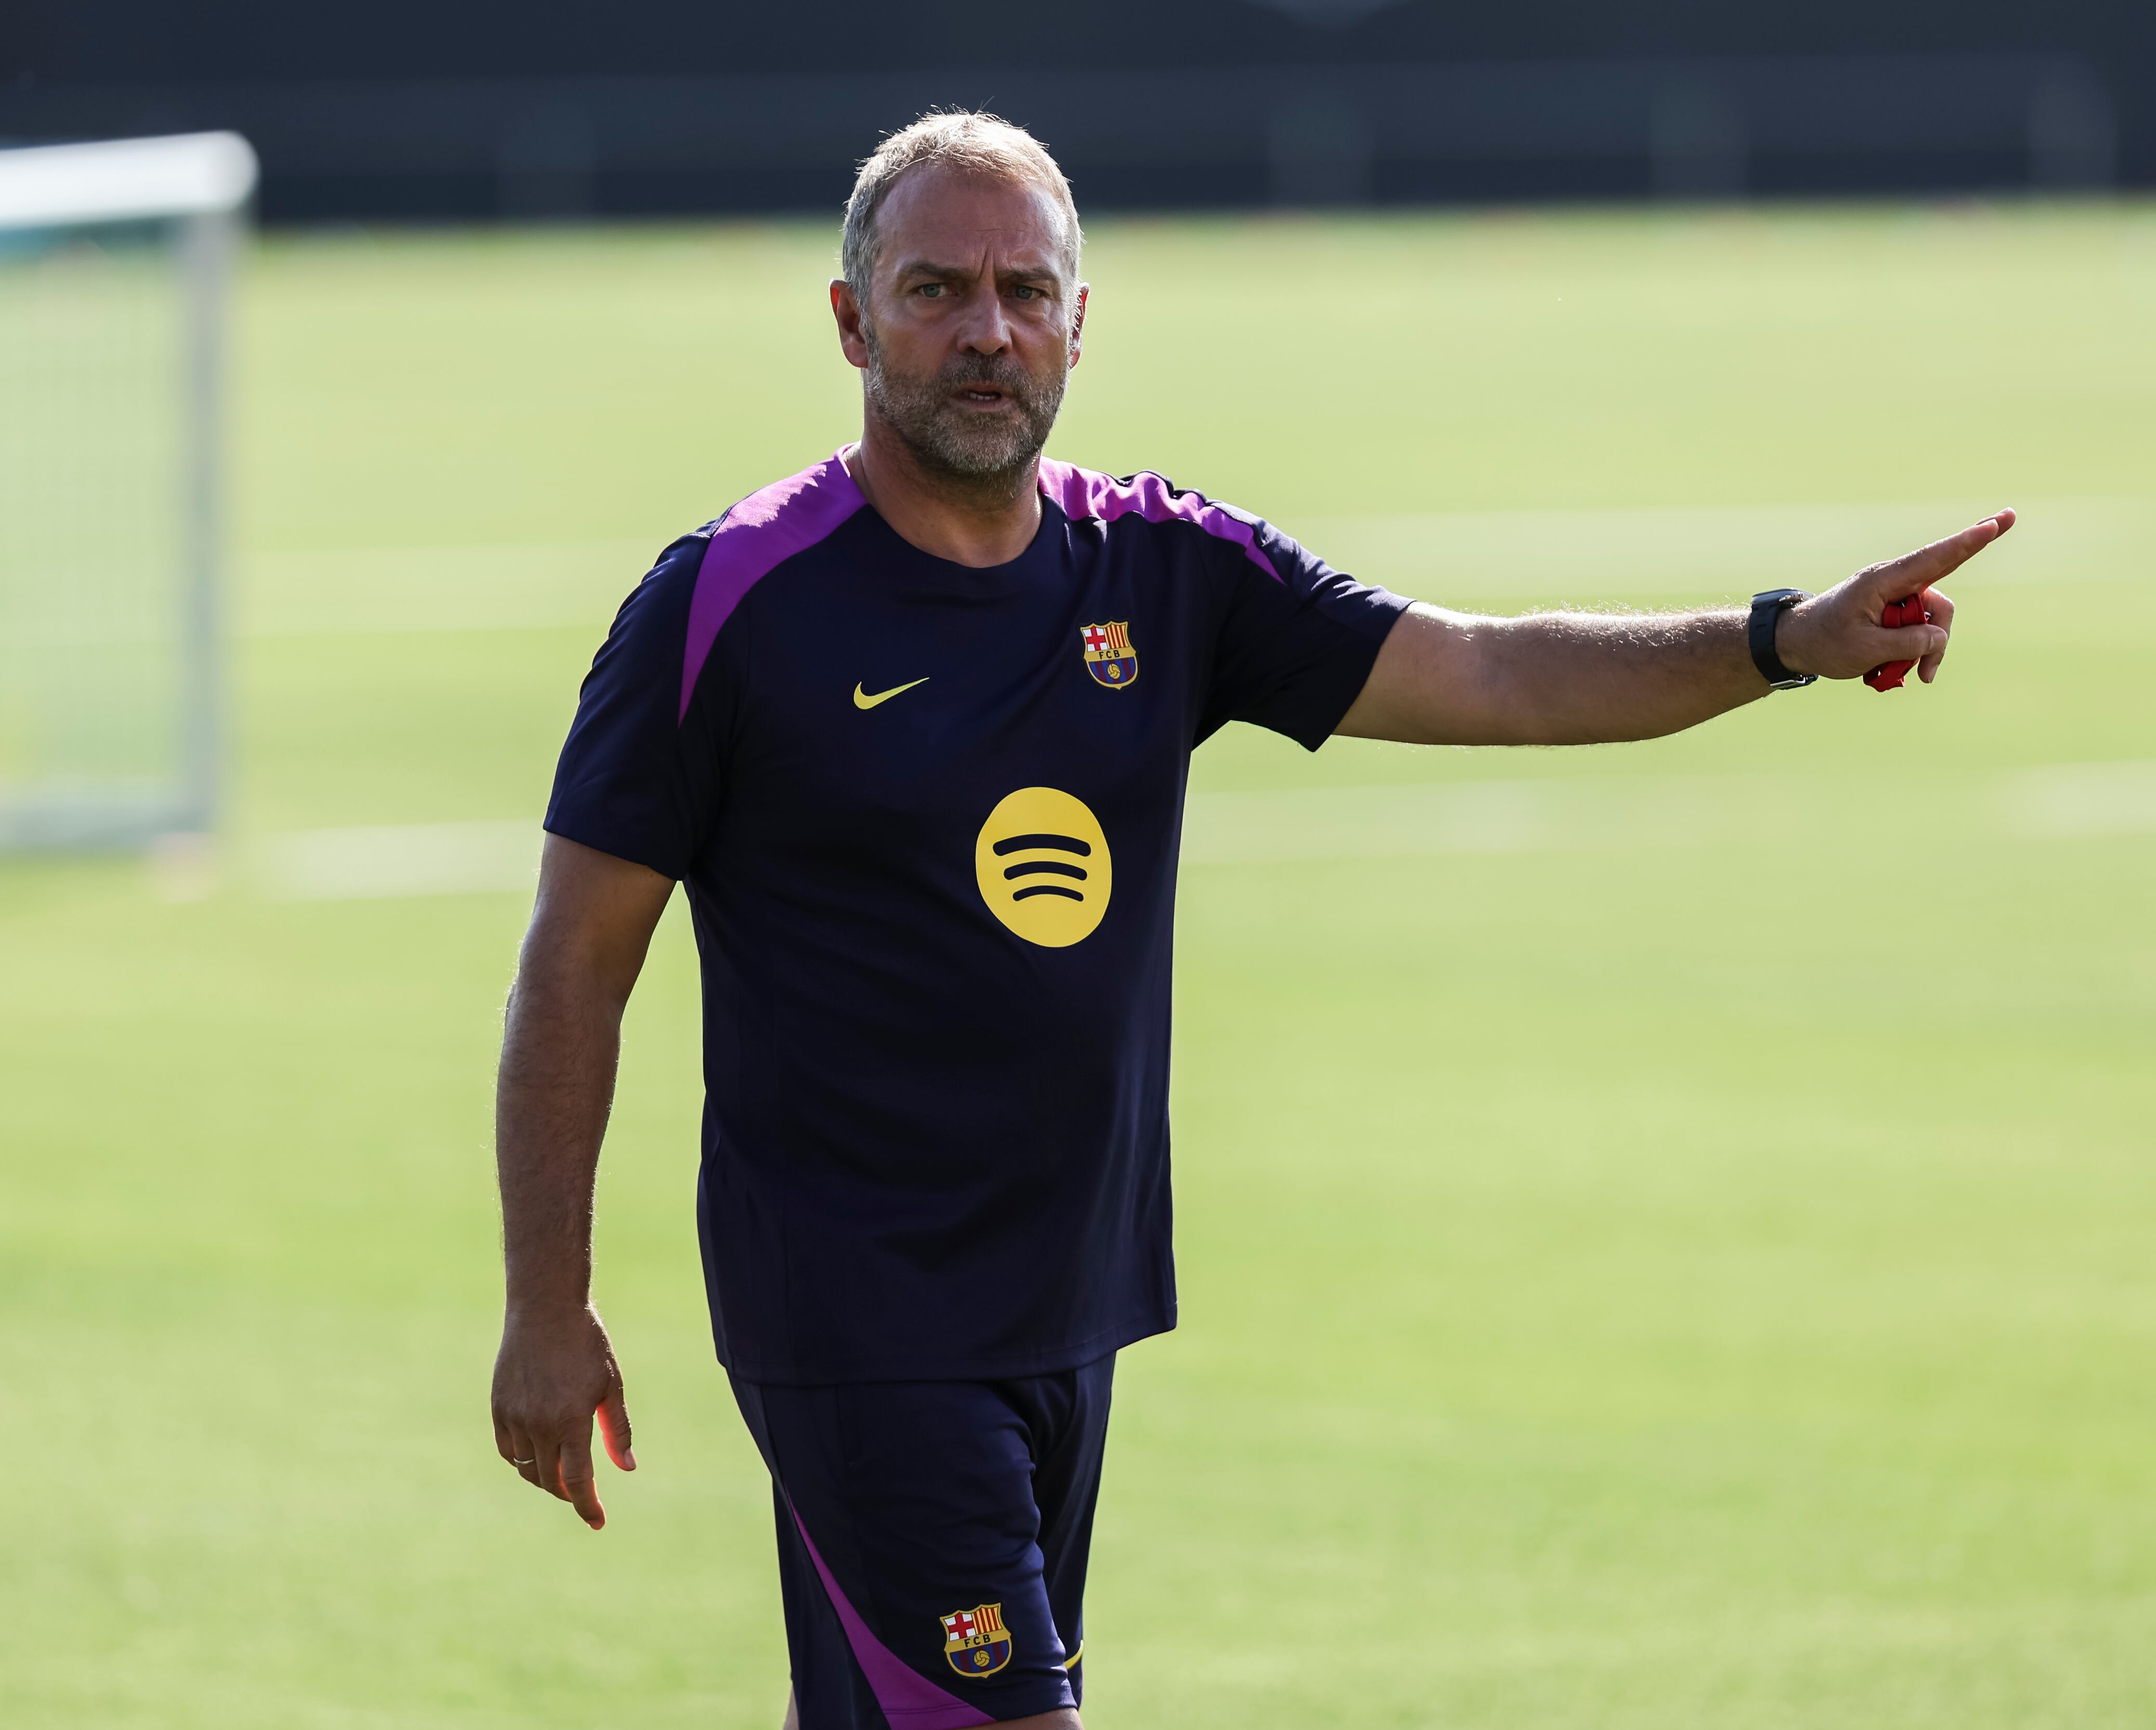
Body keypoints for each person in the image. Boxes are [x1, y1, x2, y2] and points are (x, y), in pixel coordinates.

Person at [490, 111, 2011, 1730]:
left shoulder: (1167, 568)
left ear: (1085, 318)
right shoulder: (727, 602)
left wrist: (1783, 636)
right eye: (937, 291)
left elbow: (1488, 671)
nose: (988, 331)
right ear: (853, 323)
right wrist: (545, 1301)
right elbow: (576, 968)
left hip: (1068, 1303)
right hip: (859, 1321)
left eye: (1026, 289)